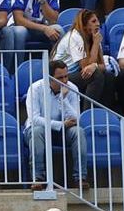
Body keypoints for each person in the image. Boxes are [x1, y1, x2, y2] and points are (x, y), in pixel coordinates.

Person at [24, 59, 83, 188]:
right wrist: (60, 124)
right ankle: (37, 178)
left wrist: (64, 99)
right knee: (37, 130)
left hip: (62, 132)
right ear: (49, 77)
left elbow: (75, 118)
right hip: (40, 131)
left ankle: (80, 178)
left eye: (66, 76)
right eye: (60, 78)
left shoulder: (72, 88)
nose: (64, 81)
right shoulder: (35, 89)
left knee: (78, 131)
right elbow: (34, 119)